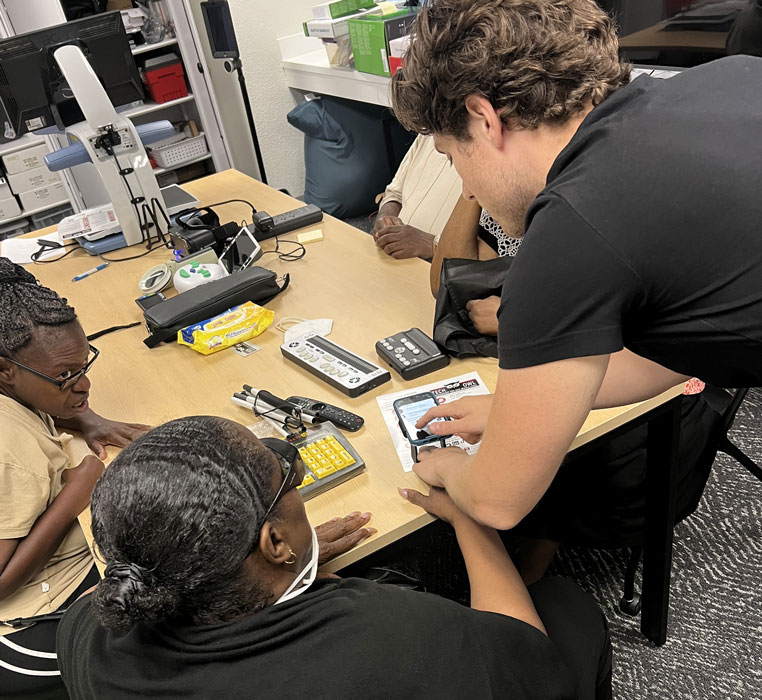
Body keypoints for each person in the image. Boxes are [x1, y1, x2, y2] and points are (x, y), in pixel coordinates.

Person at [388, 0, 762, 529]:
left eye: (452, 158)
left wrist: (450, 469)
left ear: (485, 118)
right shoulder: (722, 79)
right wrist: (517, 409)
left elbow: (499, 501)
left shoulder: (572, 224)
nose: (467, 188)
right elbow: (684, 345)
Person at [57, 416, 612, 700]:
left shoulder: (85, 631)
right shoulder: (403, 641)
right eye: (288, 478)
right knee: (567, 606)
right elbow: (525, 654)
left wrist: (271, 568)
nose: (291, 475)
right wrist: (470, 516)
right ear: (273, 542)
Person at [0, 257, 151, 699]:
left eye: (84, 367)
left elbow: (40, 396)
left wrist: (84, 420)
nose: (82, 386)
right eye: (66, 378)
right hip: (30, 632)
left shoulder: (18, 386)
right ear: (5, 370)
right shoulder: (10, 448)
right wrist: (76, 492)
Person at [373, 133, 463, 260]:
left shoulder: (487, 156)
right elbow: (394, 194)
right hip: (395, 258)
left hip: (444, 269)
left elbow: (491, 250)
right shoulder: (426, 134)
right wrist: (385, 218)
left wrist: (432, 244)